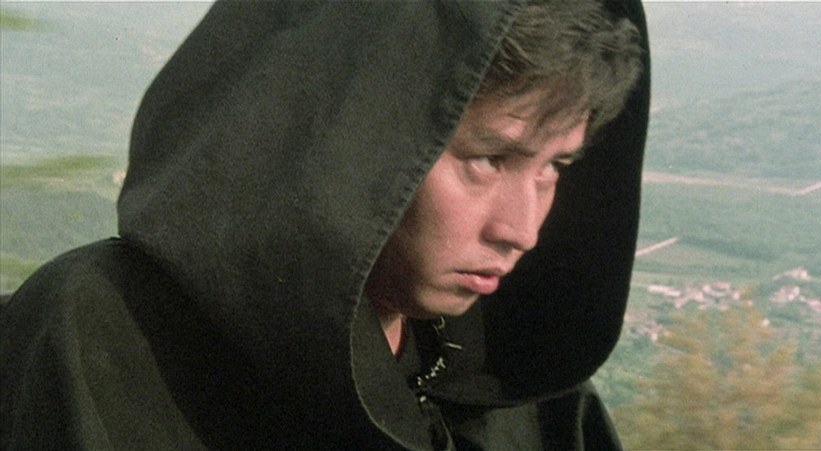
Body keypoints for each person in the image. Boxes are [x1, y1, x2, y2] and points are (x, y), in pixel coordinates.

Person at [1, 1, 649, 449]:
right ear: (350, 130)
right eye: (489, 159)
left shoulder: (531, 397)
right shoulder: (97, 340)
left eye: (554, 166)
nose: (522, 230)